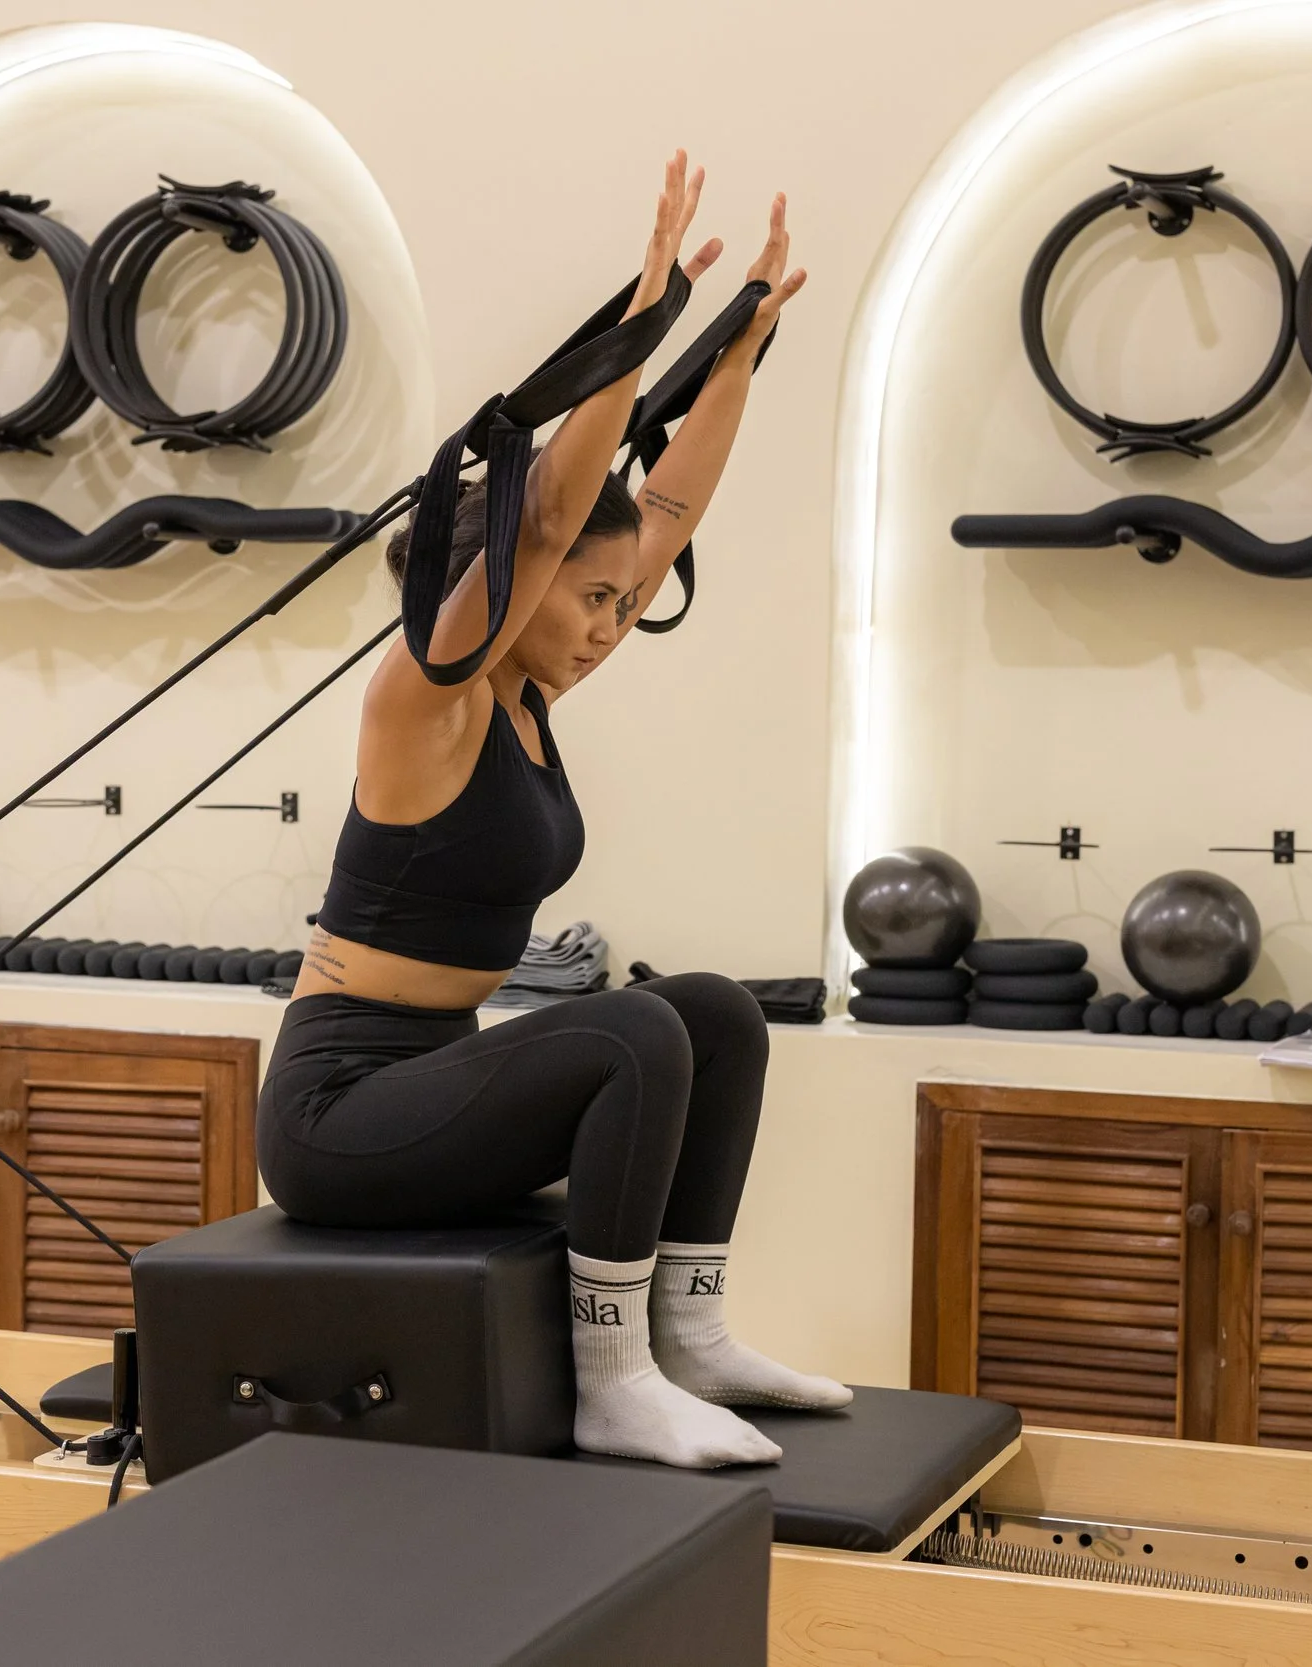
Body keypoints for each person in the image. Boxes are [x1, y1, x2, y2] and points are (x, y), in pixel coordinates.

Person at [255, 152, 839, 1471]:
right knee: (632, 1032)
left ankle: (688, 1333)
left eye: (623, 604)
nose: (611, 623)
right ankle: (613, 1380)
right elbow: (550, 520)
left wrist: (740, 348)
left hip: (434, 1074)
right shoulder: (427, 701)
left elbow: (658, 508)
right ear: (510, 592)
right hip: (339, 1111)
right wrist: (641, 315)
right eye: (591, 599)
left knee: (714, 1012)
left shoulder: (531, 695)